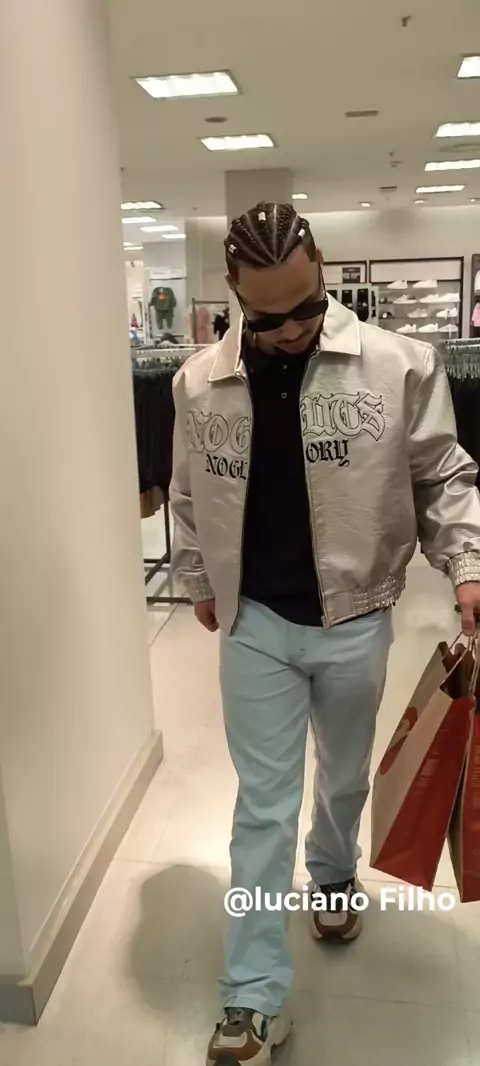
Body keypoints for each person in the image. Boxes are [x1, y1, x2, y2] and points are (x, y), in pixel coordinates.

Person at [170, 202, 480, 1066]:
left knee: (342, 777)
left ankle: (335, 874)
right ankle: (252, 994)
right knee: (262, 808)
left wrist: (467, 563)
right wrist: (199, 579)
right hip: (255, 624)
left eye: (308, 306)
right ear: (235, 293)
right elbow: (189, 492)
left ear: (322, 271)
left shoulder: (400, 364)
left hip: (357, 615)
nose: (295, 329)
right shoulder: (197, 381)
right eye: (270, 317)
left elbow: (442, 476)